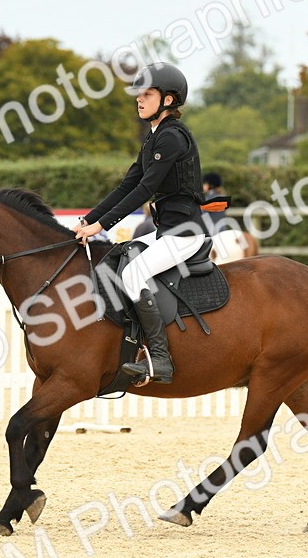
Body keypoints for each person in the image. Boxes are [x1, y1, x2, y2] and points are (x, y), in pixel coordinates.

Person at [72, 63, 207, 384]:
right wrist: (88, 220)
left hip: (184, 233)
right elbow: (127, 185)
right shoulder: (155, 137)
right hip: (166, 233)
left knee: (134, 273)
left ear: (169, 101)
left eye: (147, 94)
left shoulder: (172, 137)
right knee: (120, 256)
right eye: (139, 95)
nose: (139, 100)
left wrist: (101, 225)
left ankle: (160, 359)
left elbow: (145, 190)